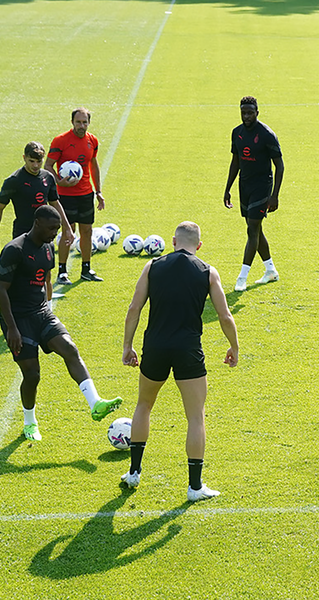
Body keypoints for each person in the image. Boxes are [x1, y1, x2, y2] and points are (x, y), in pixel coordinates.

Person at [121, 221, 239, 502]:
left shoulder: (152, 266)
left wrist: (128, 346)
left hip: (155, 347)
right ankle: (195, 487)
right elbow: (225, 316)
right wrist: (233, 346)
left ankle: (134, 473)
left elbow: (134, 307)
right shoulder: (208, 272)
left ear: (173, 241)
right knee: (196, 417)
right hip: (188, 350)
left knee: (143, 405)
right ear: (198, 246)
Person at [0, 205, 121, 441]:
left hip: (41, 313)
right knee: (32, 375)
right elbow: (0, 289)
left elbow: (46, 279)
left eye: (58, 228)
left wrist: (48, 308)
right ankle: (29, 422)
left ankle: (95, 403)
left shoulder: (48, 248)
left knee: (70, 349)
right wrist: (11, 327)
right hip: (19, 319)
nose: (57, 233)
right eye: (53, 228)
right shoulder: (15, 250)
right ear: (38, 223)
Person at [223, 96, 285, 292]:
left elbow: (280, 166)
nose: (246, 116)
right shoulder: (237, 133)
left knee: (252, 229)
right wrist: (227, 188)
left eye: (250, 112)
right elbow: (236, 162)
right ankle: (270, 270)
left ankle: (242, 277)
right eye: (243, 113)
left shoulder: (266, 135)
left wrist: (274, 195)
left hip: (262, 187)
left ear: (257, 112)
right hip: (245, 186)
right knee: (255, 230)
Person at [46, 108, 107, 284]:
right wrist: (59, 181)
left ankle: (86, 269)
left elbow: (93, 164)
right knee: (68, 230)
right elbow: (48, 165)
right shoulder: (61, 140)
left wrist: (98, 191)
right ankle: (62, 272)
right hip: (65, 196)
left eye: (85, 122)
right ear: (72, 122)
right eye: (78, 122)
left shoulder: (92, 140)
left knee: (86, 231)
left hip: (86, 194)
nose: (82, 126)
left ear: (89, 123)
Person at [0, 141, 73, 255]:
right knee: (25, 270)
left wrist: (67, 227)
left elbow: (55, 203)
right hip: (23, 234)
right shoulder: (14, 181)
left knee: (46, 268)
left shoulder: (48, 177)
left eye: (39, 162)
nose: (35, 165)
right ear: (24, 158)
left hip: (45, 233)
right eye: (31, 161)